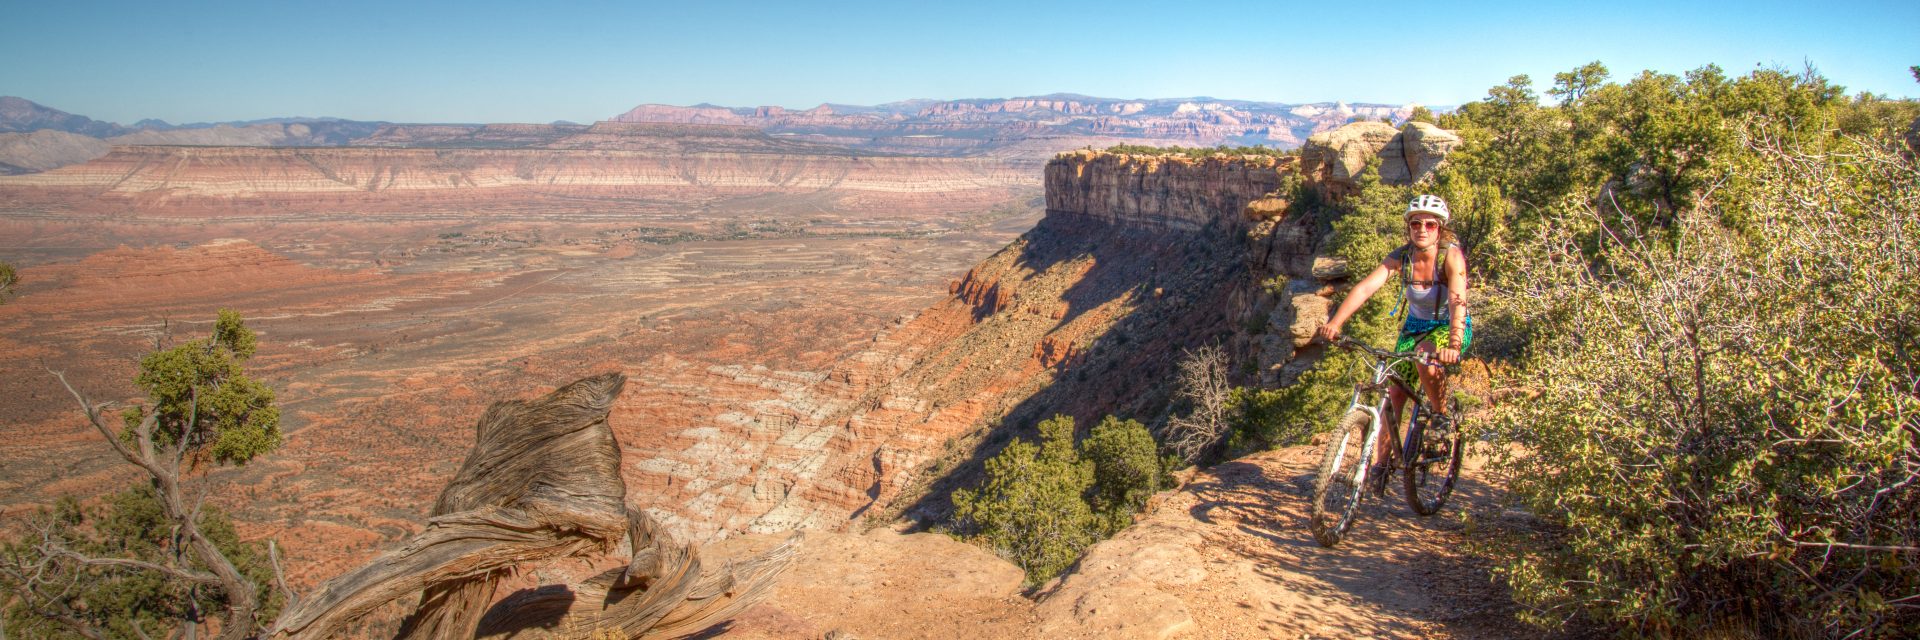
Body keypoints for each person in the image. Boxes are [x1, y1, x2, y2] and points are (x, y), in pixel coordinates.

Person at [1313, 194, 1471, 475]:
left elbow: (1458, 302)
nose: (1422, 229)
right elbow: (1365, 288)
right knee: (1394, 391)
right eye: (1416, 224)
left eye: (1430, 224)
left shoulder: (1451, 256)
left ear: (1440, 228)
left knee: (1425, 359)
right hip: (1414, 327)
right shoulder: (1403, 256)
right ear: (1408, 227)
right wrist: (1336, 322)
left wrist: (1454, 345)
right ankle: (1381, 466)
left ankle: (1440, 416)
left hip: (1449, 326)